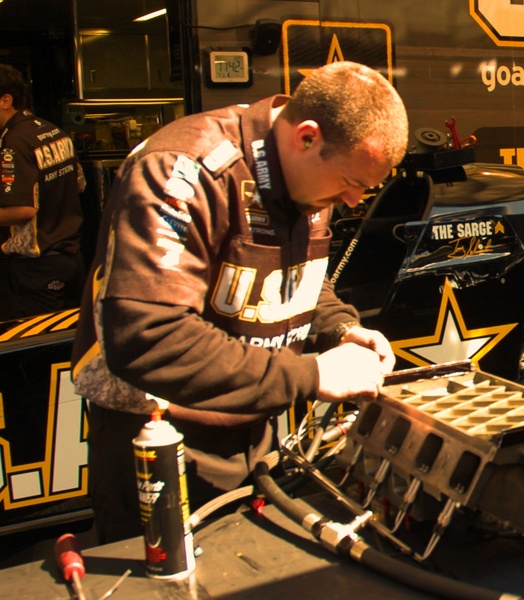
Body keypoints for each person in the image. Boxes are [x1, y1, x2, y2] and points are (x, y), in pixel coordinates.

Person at [70, 61, 409, 544]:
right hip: (158, 435)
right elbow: (149, 337)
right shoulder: (183, 169)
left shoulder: (311, 177)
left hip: (254, 428)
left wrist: (340, 327)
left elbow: (294, 276)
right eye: (351, 183)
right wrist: (313, 375)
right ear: (307, 137)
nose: (354, 201)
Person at [0, 63, 85, 320]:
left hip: (35, 269)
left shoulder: (12, 142)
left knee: (33, 352)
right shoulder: (52, 130)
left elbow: (23, 209)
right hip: (71, 258)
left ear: (5, 100)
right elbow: (80, 183)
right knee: (67, 345)